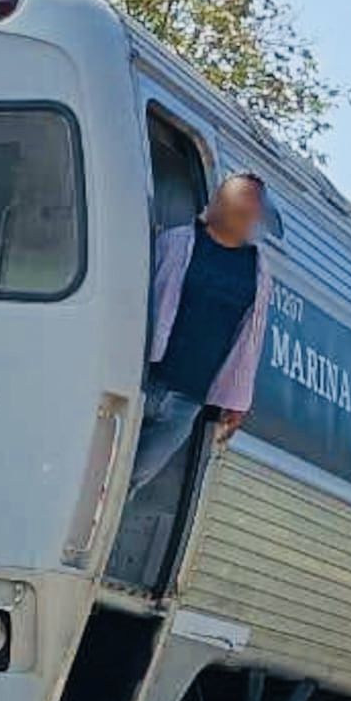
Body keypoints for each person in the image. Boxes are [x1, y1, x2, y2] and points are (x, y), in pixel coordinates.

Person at [128, 173, 273, 494]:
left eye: (251, 207)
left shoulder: (258, 271)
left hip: (187, 400)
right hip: (141, 376)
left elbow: (249, 339)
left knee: (134, 478)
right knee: (103, 464)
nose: (243, 212)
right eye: (238, 201)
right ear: (217, 201)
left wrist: (238, 400)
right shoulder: (175, 242)